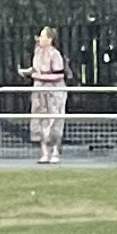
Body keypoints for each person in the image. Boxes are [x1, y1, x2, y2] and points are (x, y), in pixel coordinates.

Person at [29, 24, 70, 165]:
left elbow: (58, 75)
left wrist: (40, 76)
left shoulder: (55, 54)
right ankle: (44, 152)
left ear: (50, 39)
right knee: (41, 121)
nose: (39, 39)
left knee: (54, 122)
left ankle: (55, 151)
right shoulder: (37, 53)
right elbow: (35, 69)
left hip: (54, 93)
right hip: (39, 92)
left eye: (42, 36)